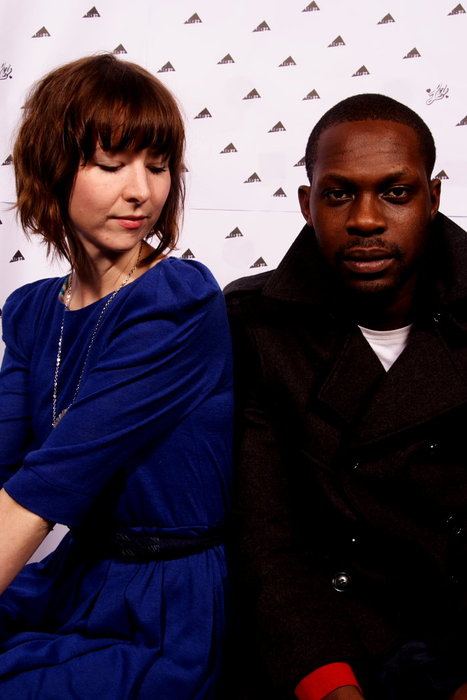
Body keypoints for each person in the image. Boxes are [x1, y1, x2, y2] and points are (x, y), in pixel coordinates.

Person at [0, 54, 233, 699]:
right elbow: (5, 466)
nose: (141, 192)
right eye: (110, 164)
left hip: (166, 608)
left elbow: (45, 489)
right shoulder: (31, 311)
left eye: (157, 166)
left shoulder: (177, 302)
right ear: (51, 168)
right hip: (77, 579)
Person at [225, 94, 467, 700]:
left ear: (433, 198)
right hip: (324, 642)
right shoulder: (255, 326)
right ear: (306, 204)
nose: (365, 220)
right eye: (338, 195)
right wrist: (328, 683)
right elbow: (266, 537)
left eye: (396, 192)